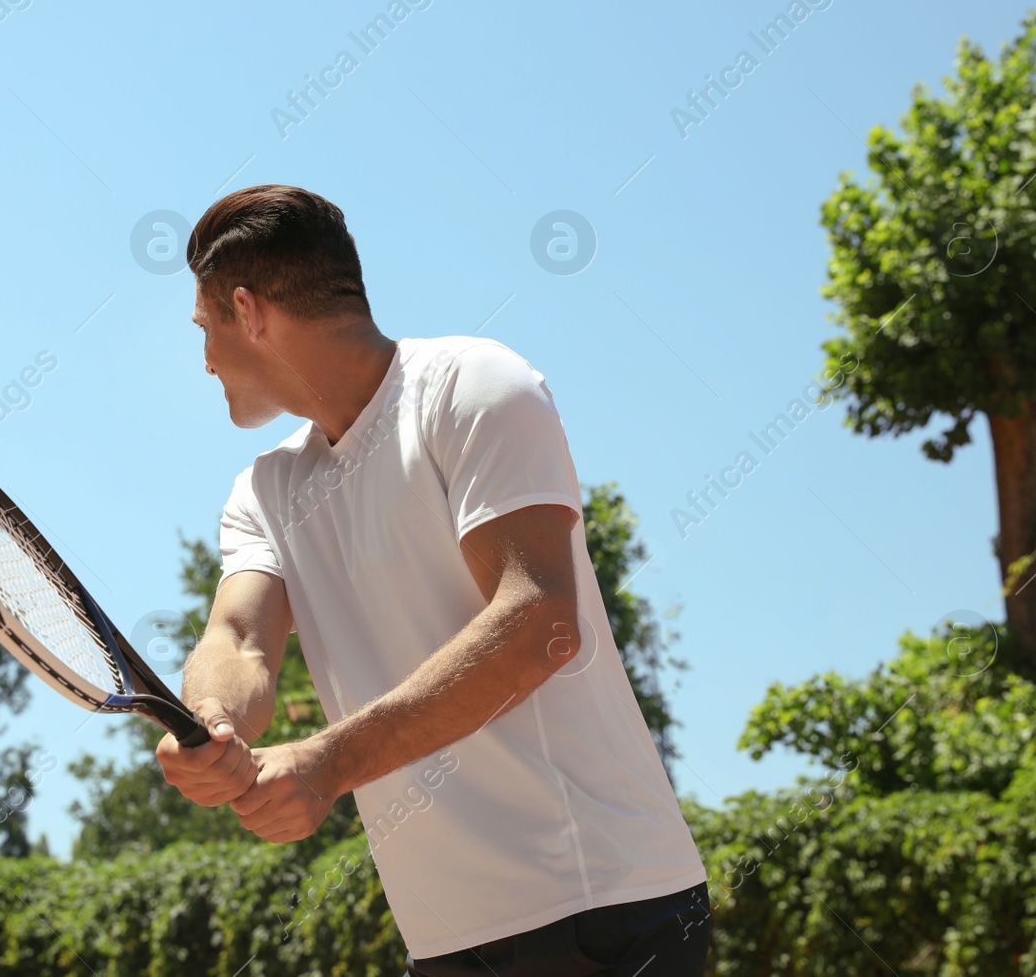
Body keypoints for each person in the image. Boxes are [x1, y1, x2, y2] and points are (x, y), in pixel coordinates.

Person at [155, 185, 711, 976]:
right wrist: (210, 718)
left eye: (205, 326)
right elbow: (238, 636)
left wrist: (326, 761)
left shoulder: (475, 386)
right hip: (445, 939)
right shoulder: (266, 489)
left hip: (602, 907)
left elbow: (539, 623)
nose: (204, 358)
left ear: (249, 312)